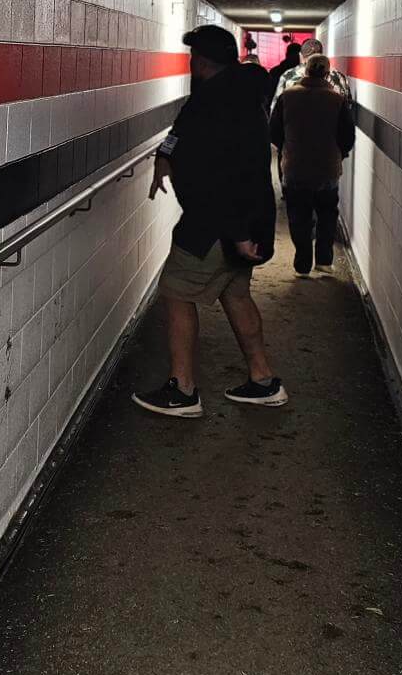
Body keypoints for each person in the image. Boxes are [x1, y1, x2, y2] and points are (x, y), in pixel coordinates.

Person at [135, 25, 286, 417]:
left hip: (217, 222)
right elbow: (179, 131)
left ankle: (182, 391)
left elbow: (234, 172)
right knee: (234, 293)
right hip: (236, 218)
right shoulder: (226, 93)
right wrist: (164, 155)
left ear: (199, 61)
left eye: (192, 58)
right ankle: (264, 380)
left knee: (177, 291)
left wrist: (237, 234)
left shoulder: (222, 105)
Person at [269, 52, 356, 276]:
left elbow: (274, 131)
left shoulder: (287, 96)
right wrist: (339, 154)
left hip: (295, 167)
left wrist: (287, 149)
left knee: (299, 216)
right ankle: (324, 261)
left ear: (305, 70)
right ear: (327, 74)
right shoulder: (337, 99)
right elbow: (347, 136)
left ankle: (302, 262)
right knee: (327, 215)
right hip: (327, 168)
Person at [275, 36, 350, 101]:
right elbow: (347, 106)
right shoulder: (340, 77)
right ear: (321, 55)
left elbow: (276, 107)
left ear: (300, 55)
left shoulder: (288, 76)